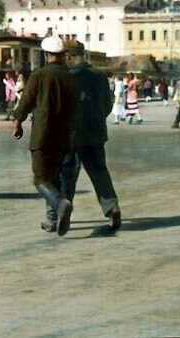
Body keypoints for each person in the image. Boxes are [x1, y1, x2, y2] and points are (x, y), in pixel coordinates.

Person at [42, 40, 121, 233]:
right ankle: (112, 208)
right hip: (96, 133)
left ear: (68, 56)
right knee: (99, 171)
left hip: (71, 135)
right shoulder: (99, 76)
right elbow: (107, 105)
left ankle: (57, 217)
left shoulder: (67, 77)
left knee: (64, 175)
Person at [12, 36, 77, 237]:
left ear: (46, 54)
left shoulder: (39, 75)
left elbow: (26, 102)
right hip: (64, 136)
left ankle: (59, 203)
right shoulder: (70, 77)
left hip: (42, 135)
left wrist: (17, 122)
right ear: (63, 55)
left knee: (40, 179)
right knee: (54, 177)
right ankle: (52, 220)